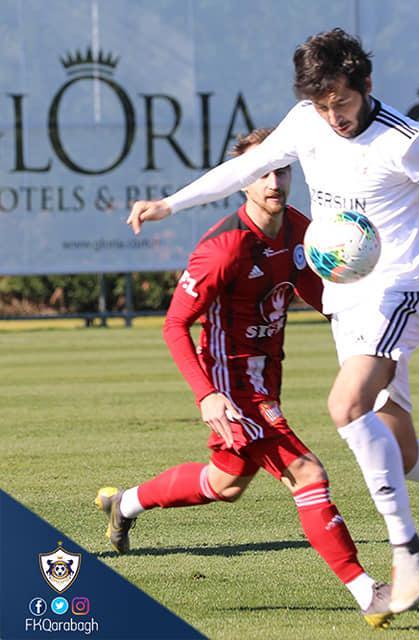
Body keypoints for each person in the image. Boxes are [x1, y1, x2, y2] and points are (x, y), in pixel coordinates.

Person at [126, 29, 419, 616]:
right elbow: (243, 168)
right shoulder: (306, 121)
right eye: (322, 106)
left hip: (399, 290)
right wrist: (168, 205)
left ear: (366, 84)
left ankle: (406, 552)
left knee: (345, 405)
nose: (333, 117)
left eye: (342, 103)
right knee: (399, 451)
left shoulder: (407, 141)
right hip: (349, 300)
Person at [97, 128, 394, 629]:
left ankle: (123, 504)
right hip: (232, 384)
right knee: (307, 472)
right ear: (242, 181)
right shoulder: (224, 249)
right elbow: (174, 325)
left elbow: (318, 296)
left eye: (281, 170)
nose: (274, 181)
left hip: (266, 373)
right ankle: (368, 592)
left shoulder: (299, 228)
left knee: (226, 482)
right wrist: (207, 395)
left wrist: (363, 306)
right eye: (261, 172)